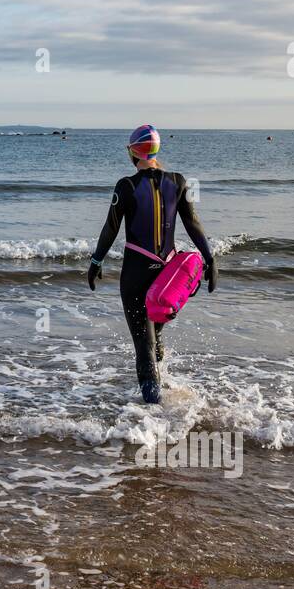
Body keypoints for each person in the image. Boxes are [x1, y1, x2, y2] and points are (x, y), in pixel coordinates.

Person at [86, 125, 216, 403]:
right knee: (154, 334)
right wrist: (210, 259)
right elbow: (192, 224)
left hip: (135, 275)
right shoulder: (178, 182)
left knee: (143, 346)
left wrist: (96, 261)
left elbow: (110, 229)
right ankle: (163, 389)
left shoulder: (126, 186)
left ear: (133, 152)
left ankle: (151, 417)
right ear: (156, 150)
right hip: (169, 278)